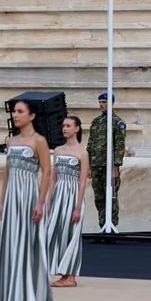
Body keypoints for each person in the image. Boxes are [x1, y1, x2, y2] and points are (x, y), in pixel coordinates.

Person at [0, 99, 54, 301]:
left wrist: (41, 202)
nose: (15, 115)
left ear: (32, 116)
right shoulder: (11, 140)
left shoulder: (39, 141)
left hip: (29, 196)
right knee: (12, 245)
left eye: (20, 111)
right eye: (14, 111)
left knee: (27, 245)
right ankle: (16, 297)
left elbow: (47, 172)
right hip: (12, 198)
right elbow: (7, 172)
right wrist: (2, 201)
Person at [47, 115, 89, 288]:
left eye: (68, 125)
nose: (64, 128)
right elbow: (53, 178)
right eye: (63, 125)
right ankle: (62, 273)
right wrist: (48, 200)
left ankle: (70, 276)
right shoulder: (57, 150)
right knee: (57, 233)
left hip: (73, 196)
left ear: (77, 128)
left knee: (71, 234)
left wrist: (78, 207)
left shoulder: (82, 152)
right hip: (59, 196)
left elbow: (83, 181)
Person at [89, 91, 126, 229]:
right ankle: (102, 225)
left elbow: (119, 145)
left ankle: (112, 225)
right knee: (99, 197)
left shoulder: (117, 122)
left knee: (111, 197)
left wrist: (116, 166)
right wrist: (88, 165)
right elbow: (90, 143)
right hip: (96, 164)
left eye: (104, 102)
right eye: (100, 102)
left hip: (108, 165)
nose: (101, 105)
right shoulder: (96, 122)